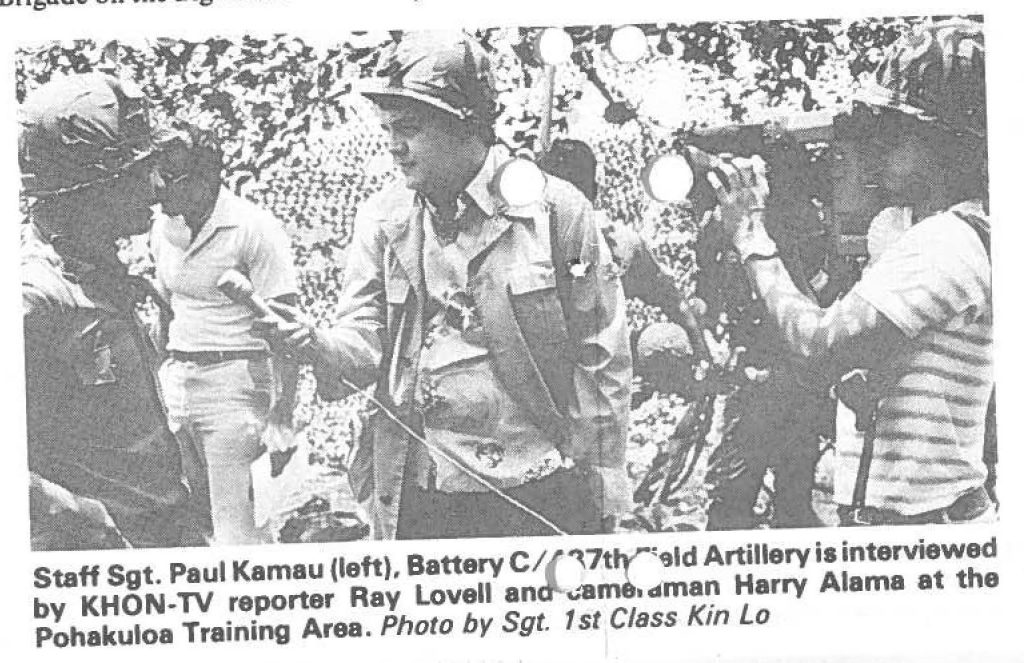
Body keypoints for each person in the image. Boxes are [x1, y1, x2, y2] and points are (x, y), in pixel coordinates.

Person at [260, 32, 633, 540]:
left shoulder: (555, 212)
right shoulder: (384, 219)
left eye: (409, 128)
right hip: (425, 484)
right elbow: (365, 341)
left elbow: (601, 352)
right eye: (389, 129)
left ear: (465, 126)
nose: (394, 147)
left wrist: (604, 480)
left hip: (539, 483)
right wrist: (316, 343)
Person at [706, 19, 993, 525]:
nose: (877, 146)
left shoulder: (947, 242)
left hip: (922, 524)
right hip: (921, 517)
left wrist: (751, 235)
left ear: (949, 144)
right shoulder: (927, 229)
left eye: (898, 132)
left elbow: (818, 342)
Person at [20, 73, 210, 549]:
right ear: (85, 190)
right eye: (136, 171)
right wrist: (69, 510)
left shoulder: (103, 274)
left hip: (166, 529)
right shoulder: (34, 296)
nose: (157, 184)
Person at [151, 122, 300, 545]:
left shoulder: (253, 229)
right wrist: (161, 372)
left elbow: (286, 329)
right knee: (183, 523)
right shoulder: (163, 228)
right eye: (156, 173)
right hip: (178, 380)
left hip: (234, 384)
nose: (160, 188)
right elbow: (167, 307)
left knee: (237, 532)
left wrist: (282, 416)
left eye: (172, 177)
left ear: (207, 177)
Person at [538, 138, 712, 369]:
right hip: (557, 362)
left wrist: (702, 354)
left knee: (661, 342)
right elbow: (675, 303)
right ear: (596, 192)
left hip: (580, 357)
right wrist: (704, 356)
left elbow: (673, 302)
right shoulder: (620, 244)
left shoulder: (620, 245)